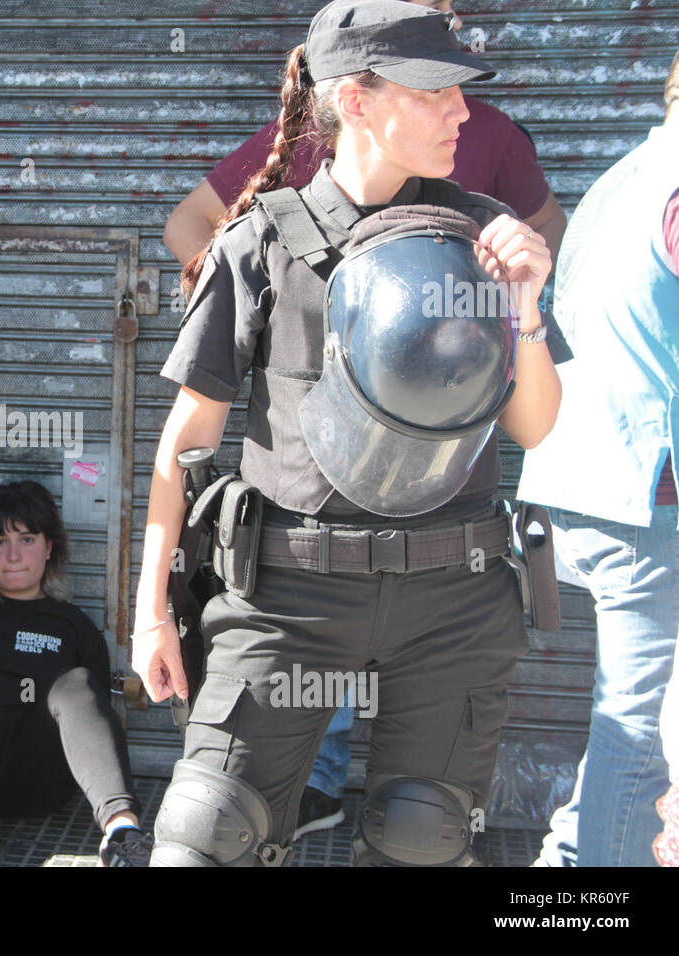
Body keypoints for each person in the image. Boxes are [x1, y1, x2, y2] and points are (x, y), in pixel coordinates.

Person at [132, 0, 566, 867]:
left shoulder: (481, 234)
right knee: (203, 837)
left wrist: (524, 309)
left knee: (422, 839)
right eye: (435, 91)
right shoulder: (262, 241)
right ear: (357, 101)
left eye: (460, 93)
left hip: (454, 595)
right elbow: (185, 444)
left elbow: (536, 425)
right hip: (291, 601)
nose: (462, 112)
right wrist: (149, 615)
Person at [518, 48, 679, 867]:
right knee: (645, 740)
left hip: (584, 481)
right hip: (647, 492)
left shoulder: (627, 174)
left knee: (635, 727)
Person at [164, 0, 566, 268]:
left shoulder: (491, 131)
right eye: (435, 5)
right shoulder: (314, 133)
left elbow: (548, 224)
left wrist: (507, 311)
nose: (455, 19)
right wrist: (266, 318)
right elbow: (186, 225)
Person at [0, 481, 151, 867]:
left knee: (77, 683)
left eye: (27, 539)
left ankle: (122, 832)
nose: (14, 555)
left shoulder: (72, 627)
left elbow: (94, 713)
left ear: (49, 547)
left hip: (34, 773)